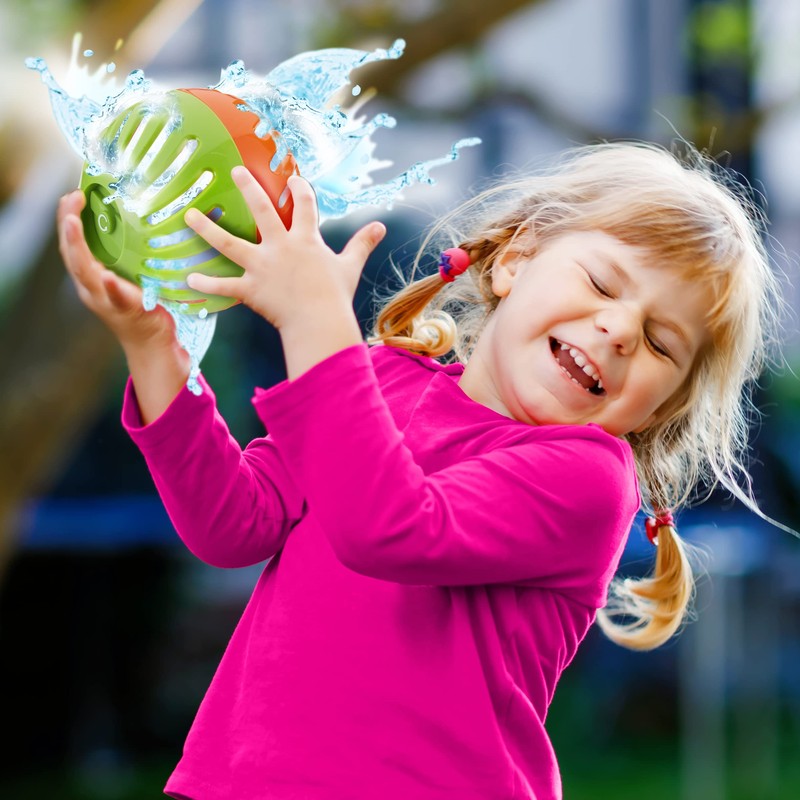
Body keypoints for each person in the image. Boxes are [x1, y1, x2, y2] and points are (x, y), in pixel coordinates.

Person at [56, 141, 782, 800]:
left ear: (662, 408)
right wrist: (157, 354)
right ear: (516, 258)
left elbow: (391, 528)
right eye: (602, 282)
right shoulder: (373, 384)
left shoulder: (586, 479)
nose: (619, 331)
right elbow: (233, 526)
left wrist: (315, 323)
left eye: (661, 343)